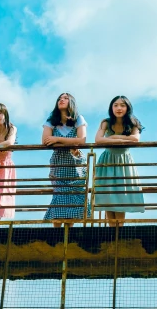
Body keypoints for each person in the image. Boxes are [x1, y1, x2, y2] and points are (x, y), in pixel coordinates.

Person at [93, 96, 145, 225]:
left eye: (122, 105)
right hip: (107, 160)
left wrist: (114, 137)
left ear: (127, 107)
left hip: (124, 161)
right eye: (115, 105)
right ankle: (112, 231)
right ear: (111, 107)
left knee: (122, 195)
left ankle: (119, 230)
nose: (119, 108)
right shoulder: (106, 122)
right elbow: (98, 140)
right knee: (107, 194)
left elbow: (135, 139)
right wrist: (122, 139)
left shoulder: (133, 123)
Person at [42, 92, 90, 226]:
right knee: (59, 195)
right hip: (59, 162)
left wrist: (57, 139)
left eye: (65, 98)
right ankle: (57, 235)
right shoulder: (51, 120)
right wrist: (70, 142)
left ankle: (68, 235)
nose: (61, 100)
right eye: (59, 98)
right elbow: (45, 140)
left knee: (73, 197)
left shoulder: (78, 118)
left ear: (71, 102)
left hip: (75, 162)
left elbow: (81, 140)